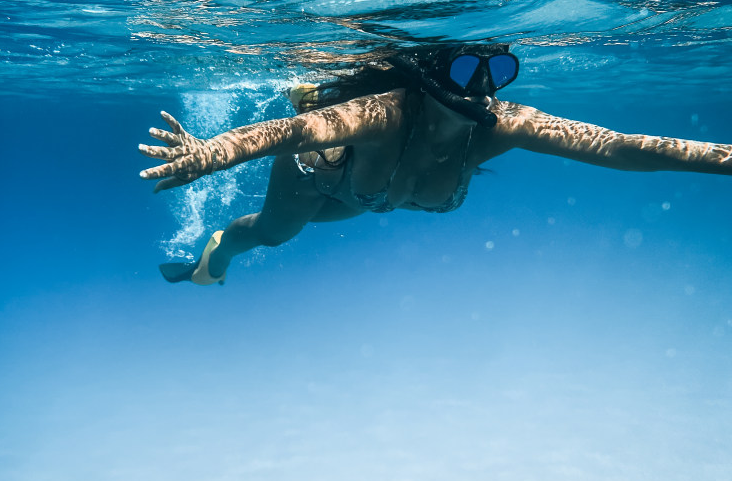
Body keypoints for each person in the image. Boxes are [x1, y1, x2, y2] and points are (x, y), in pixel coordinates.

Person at [139, 43, 731, 285]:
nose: (480, 88)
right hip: (318, 171)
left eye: (496, 72)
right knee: (272, 234)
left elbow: (616, 146)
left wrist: (723, 158)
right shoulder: (388, 114)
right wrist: (209, 154)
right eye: (464, 69)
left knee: (323, 216)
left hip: (368, 195)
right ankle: (210, 261)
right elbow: (291, 132)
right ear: (429, 75)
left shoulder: (505, 127)